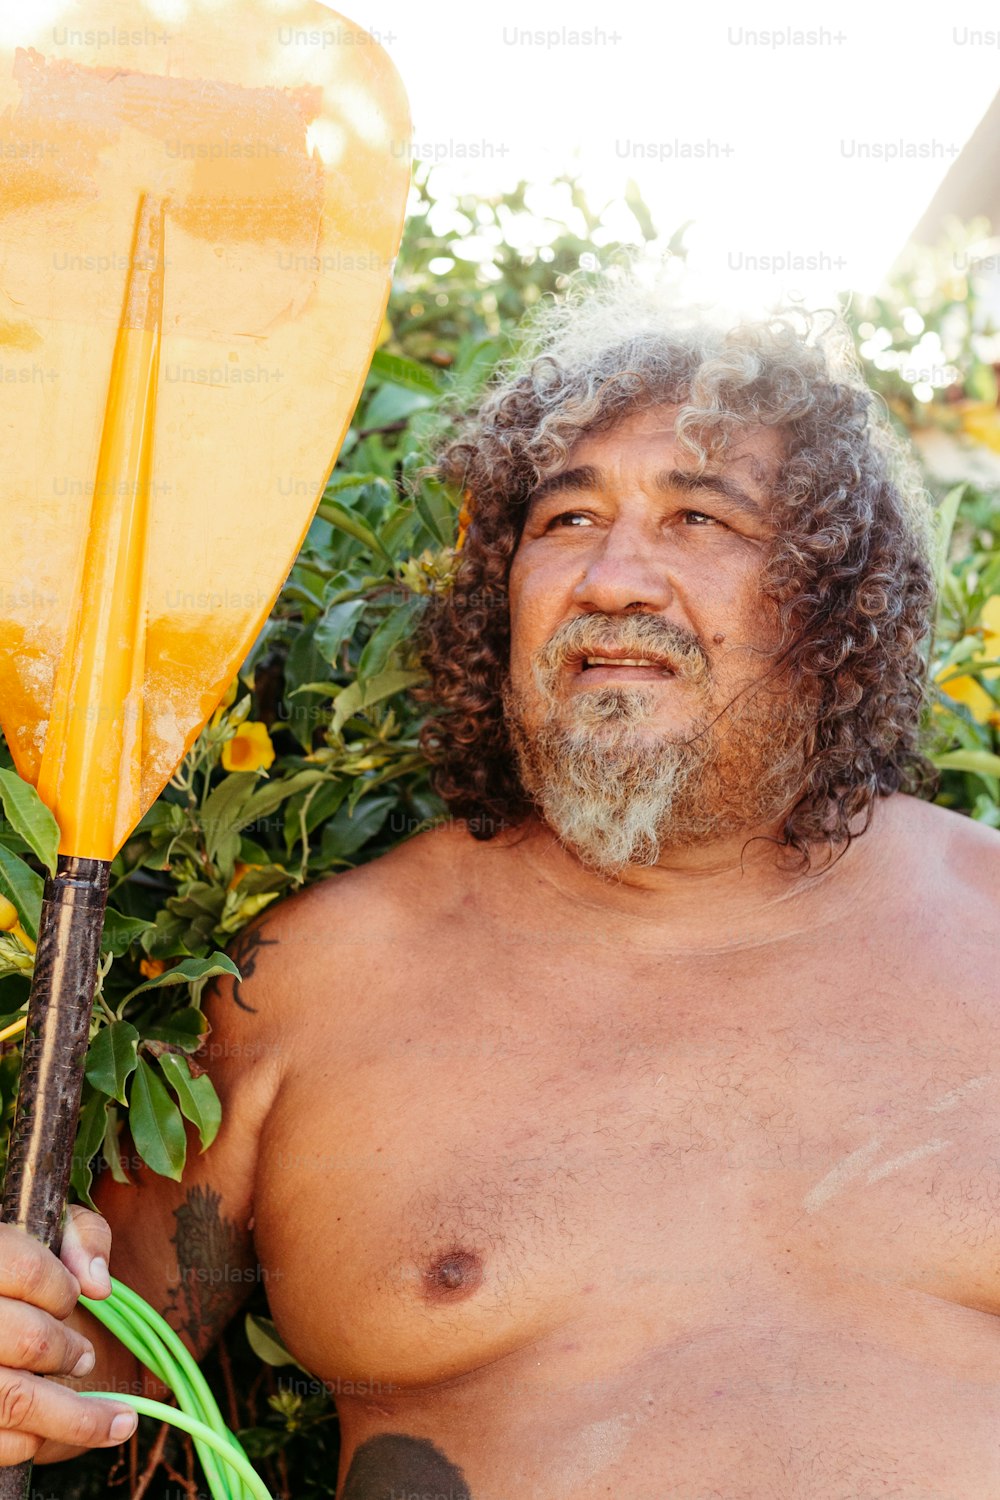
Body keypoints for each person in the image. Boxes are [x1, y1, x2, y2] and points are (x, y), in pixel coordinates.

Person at [2, 279, 999, 1498]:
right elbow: (87, 1366)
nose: (614, 578)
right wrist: (26, 1344)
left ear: (833, 603)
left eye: (700, 519)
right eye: (566, 521)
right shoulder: (309, 987)